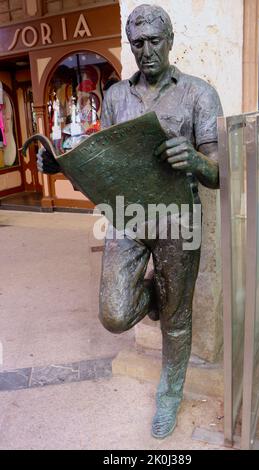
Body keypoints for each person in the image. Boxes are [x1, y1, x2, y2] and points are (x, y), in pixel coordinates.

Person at [37, 4, 223, 439]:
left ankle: (170, 392)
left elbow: (219, 174)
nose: (146, 51)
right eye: (137, 44)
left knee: (178, 320)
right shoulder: (117, 95)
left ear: (170, 40)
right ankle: (158, 299)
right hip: (128, 213)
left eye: (154, 41)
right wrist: (61, 166)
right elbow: (106, 164)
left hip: (179, 218)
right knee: (115, 313)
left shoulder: (199, 93)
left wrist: (195, 158)